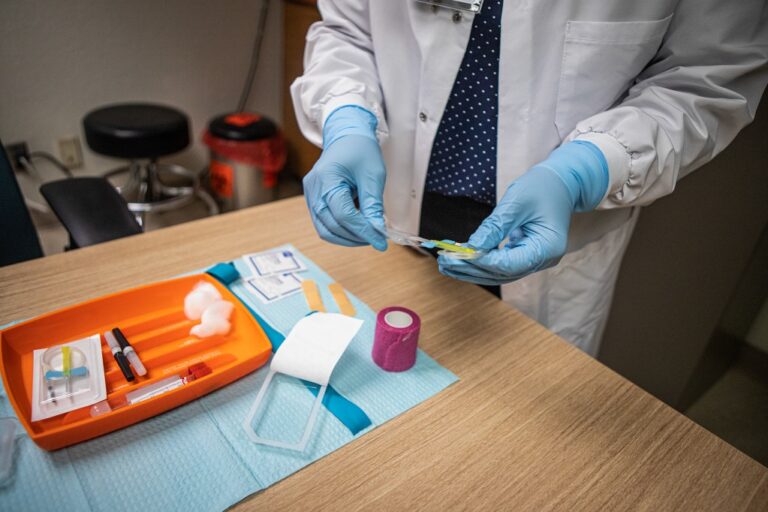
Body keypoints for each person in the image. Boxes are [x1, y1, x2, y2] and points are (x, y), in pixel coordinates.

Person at [291, 0, 768, 356]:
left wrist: (581, 172)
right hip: (403, 198)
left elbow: (705, 79)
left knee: (519, 409)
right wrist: (346, 118)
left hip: (556, 224)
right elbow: (347, 32)